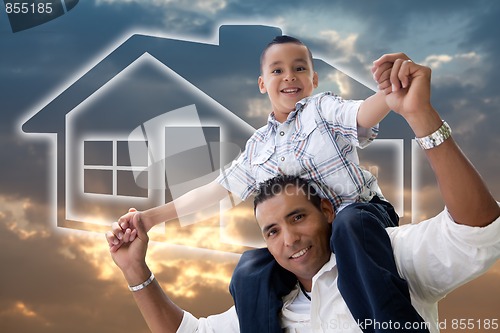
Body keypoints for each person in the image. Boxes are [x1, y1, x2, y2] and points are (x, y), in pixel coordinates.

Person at [107, 55, 500, 332]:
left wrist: (402, 100)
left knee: (350, 225)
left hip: (363, 222)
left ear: (313, 80)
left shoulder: (322, 112)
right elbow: (218, 192)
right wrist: (147, 225)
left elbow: (363, 112)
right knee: (249, 269)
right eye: (277, 70)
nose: (289, 76)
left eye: (299, 68)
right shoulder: (258, 148)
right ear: (262, 83)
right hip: (331, 229)